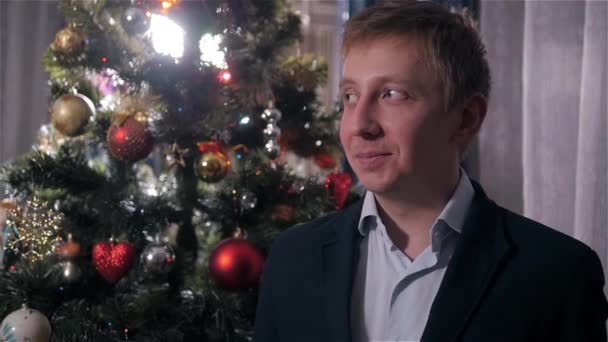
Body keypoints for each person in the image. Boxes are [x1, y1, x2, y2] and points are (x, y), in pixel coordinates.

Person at [253, 1, 608, 341]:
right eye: (350, 96)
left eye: (392, 94)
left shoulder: (557, 274)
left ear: (466, 118)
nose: (359, 124)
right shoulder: (293, 258)